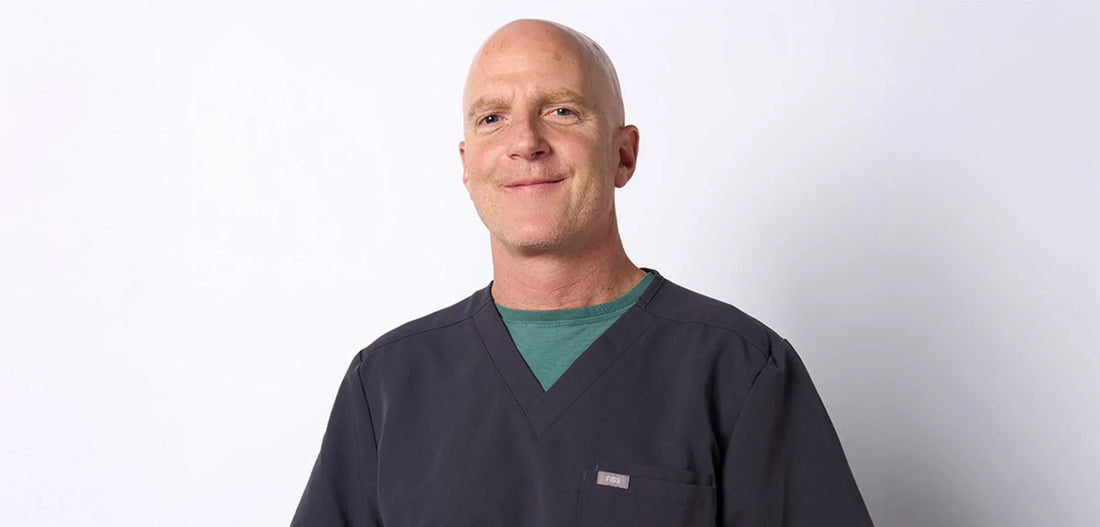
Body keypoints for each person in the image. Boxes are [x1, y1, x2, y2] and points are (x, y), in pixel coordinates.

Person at [291, 19, 873, 527]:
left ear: (623, 154)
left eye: (561, 111)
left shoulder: (739, 370)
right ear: (468, 166)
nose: (525, 142)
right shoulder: (387, 384)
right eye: (492, 118)